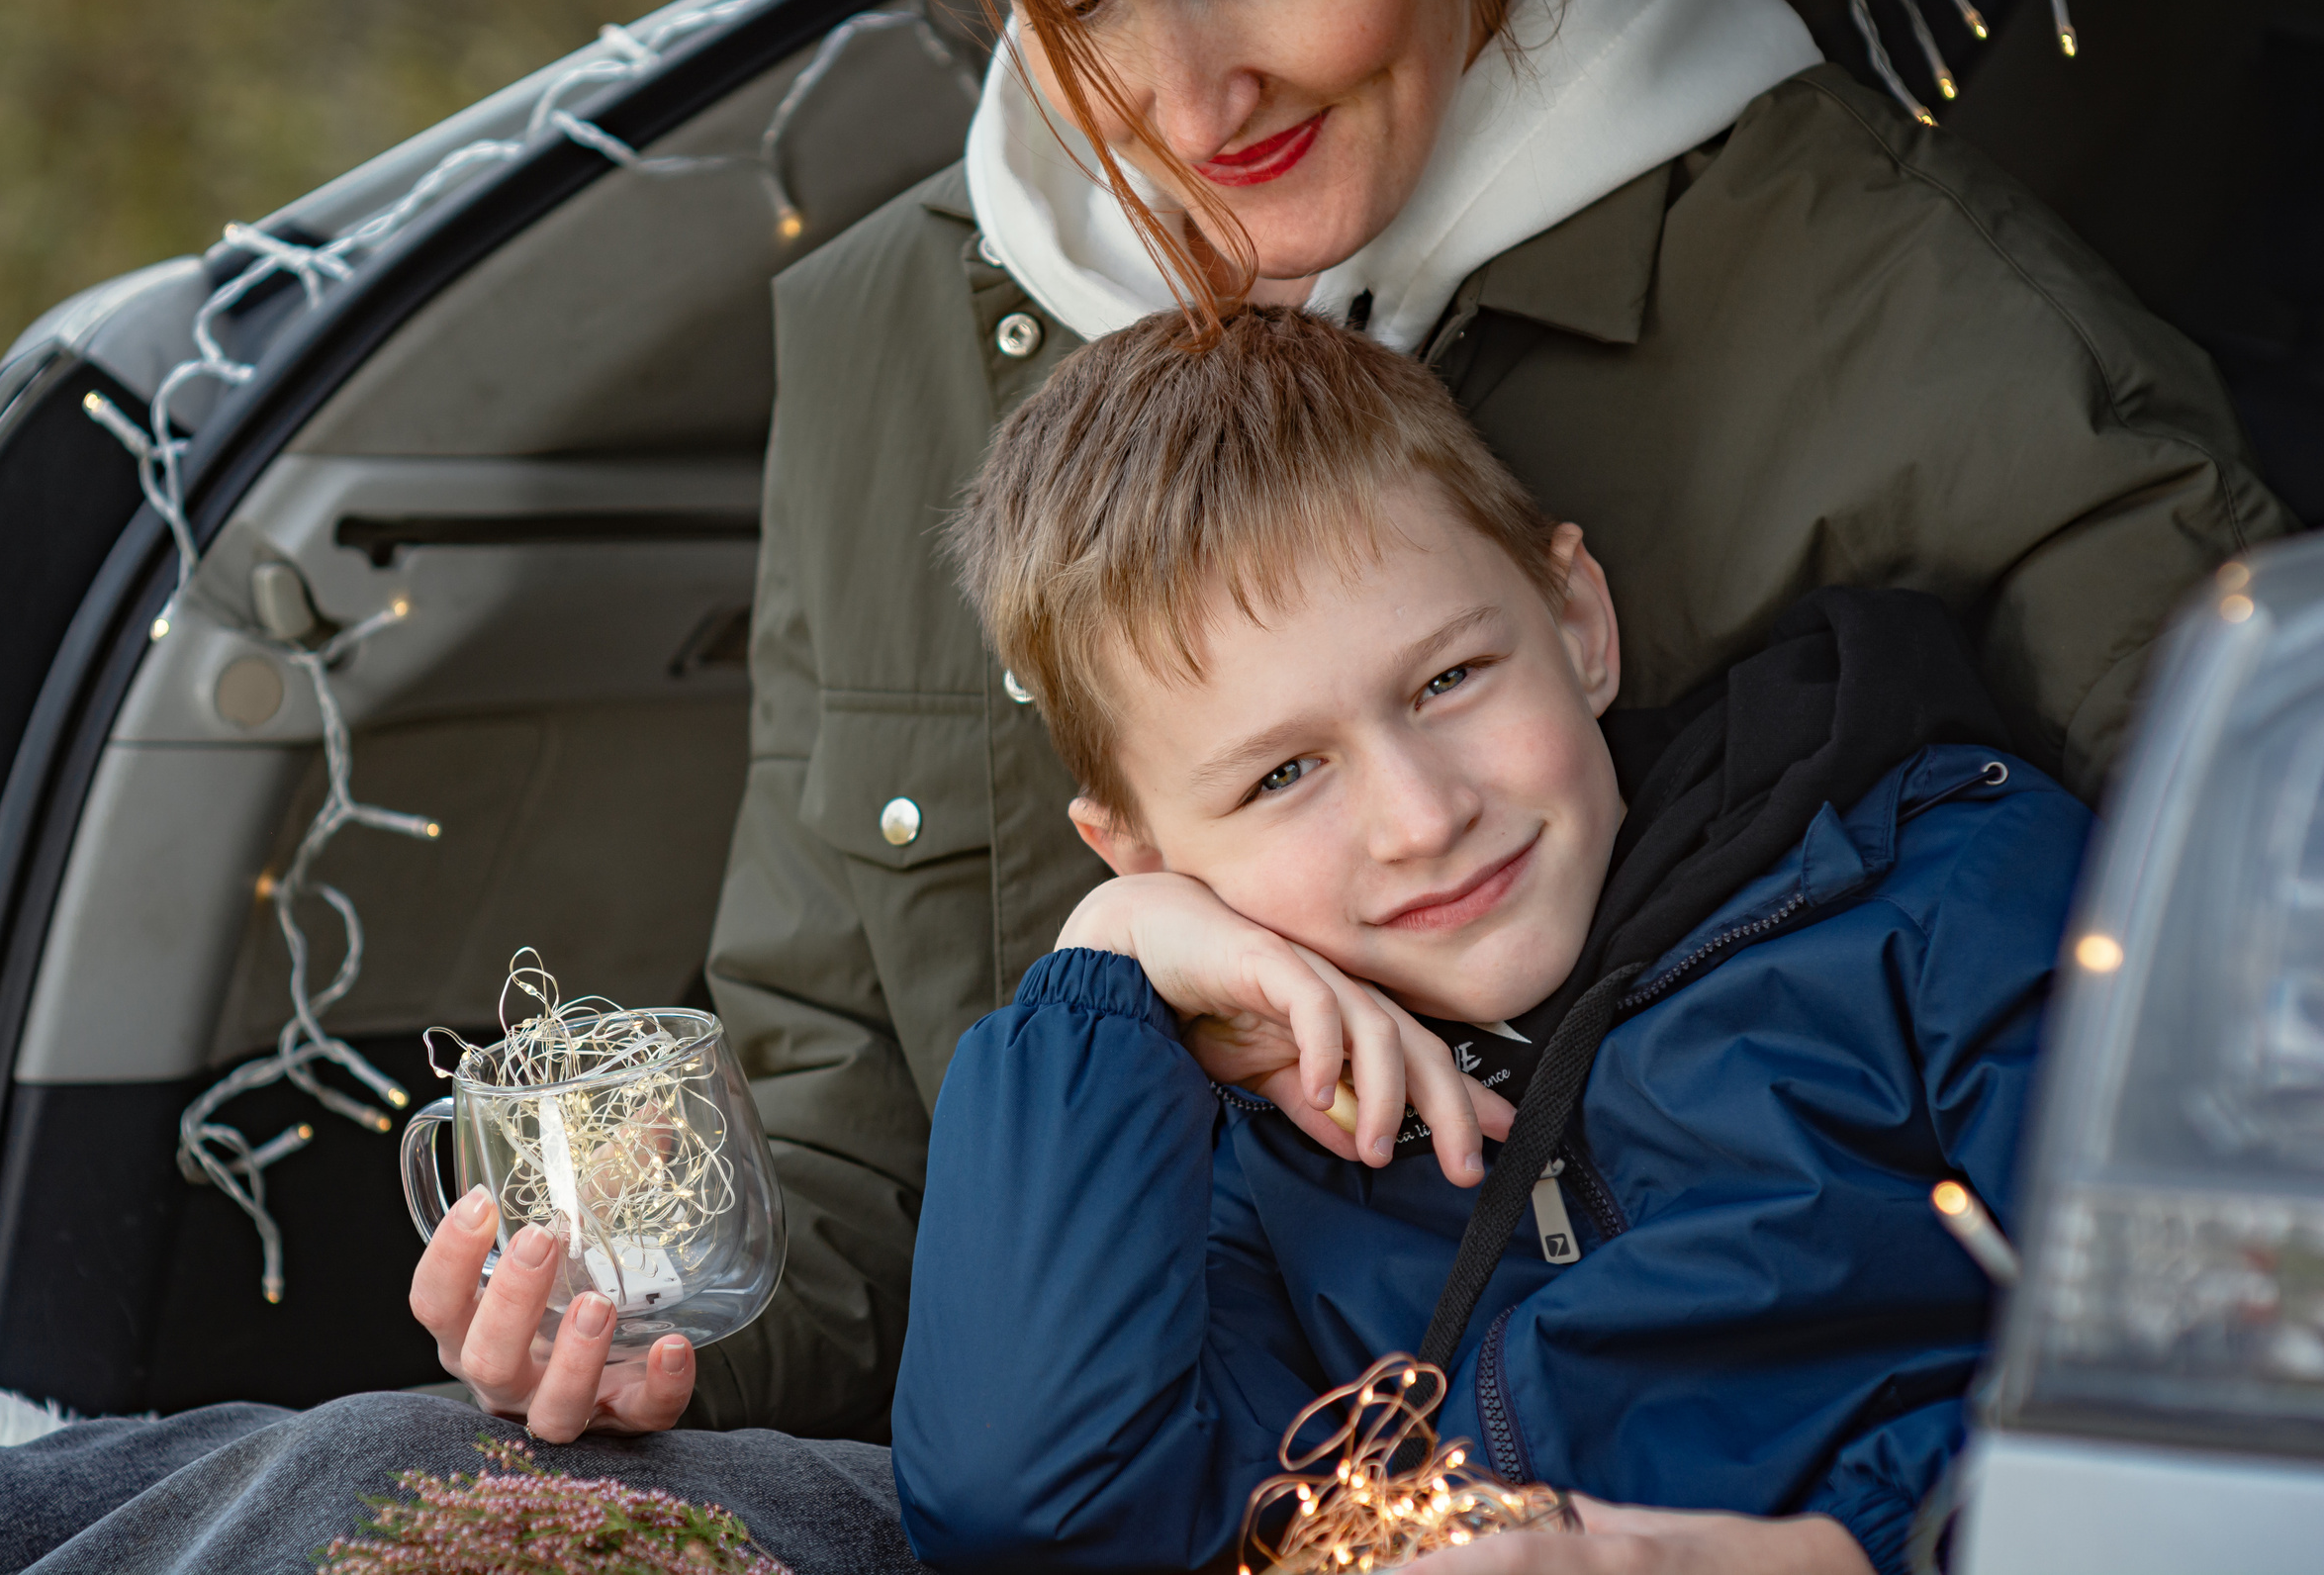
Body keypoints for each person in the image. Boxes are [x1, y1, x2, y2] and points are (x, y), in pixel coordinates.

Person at [414, 0, 2285, 1451]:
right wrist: (656, 1341)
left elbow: (2231, 1067)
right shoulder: (890, 341)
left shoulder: (1878, 287)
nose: (1180, 94)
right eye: (1076, 0)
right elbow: (849, 1166)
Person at [891, 306, 2087, 1575]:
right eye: (1284, 773)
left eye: (1448, 681)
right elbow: (1037, 1524)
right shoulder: (1234, 1165)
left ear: (1576, 623)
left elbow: (2232, 1367)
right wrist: (1104, 974)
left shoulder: (1932, 892)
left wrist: (1850, 1548)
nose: (1422, 819)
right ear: (1144, 851)